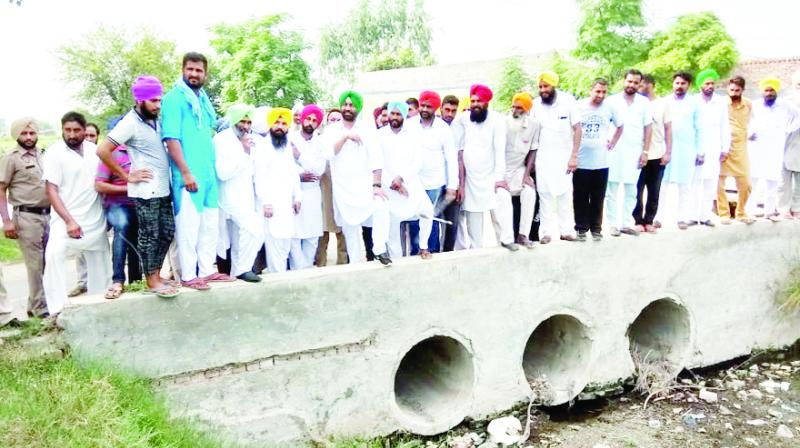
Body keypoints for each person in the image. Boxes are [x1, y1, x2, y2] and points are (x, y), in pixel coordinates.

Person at [98, 76, 179, 298]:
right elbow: (103, 150)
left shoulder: (155, 120)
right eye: (153, 100)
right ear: (139, 99)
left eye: (159, 100)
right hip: (145, 191)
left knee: (167, 232)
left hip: (163, 188)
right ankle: (151, 279)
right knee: (150, 235)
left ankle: (156, 274)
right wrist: (125, 175)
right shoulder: (130, 122)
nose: (158, 105)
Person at [162, 52, 232, 290]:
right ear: (183, 70)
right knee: (189, 227)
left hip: (208, 175)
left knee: (209, 225)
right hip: (188, 176)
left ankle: (207, 270)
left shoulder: (202, 99)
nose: (194, 74)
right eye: (190, 69)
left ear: (205, 73)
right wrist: (186, 172)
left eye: (198, 70)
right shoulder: (173, 98)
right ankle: (189, 275)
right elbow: (171, 139)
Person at [42, 111, 111, 315]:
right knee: (54, 255)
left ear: (84, 130)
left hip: (95, 217)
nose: (71, 135)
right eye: (67, 130)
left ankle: (99, 305)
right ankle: (57, 310)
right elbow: (51, 190)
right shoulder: (54, 153)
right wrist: (69, 221)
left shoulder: (95, 150)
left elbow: (104, 181)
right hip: (66, 219)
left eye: (76, 130)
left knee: (100, 260)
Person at [324, 91, 392, 266]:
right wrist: (345, 137)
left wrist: (376, 184)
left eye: (352, 105)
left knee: (381, 206)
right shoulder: (331, 130)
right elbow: (329, 153)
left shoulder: (368, 129)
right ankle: (354, 264)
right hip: (343, 188)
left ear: (358, 108)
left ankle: (379, 249)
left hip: (365, 186)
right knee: (349, 228)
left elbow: (377, 158)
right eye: (345, 104)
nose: (348, 108)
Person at [453, 84, 518, 251]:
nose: (475, 104)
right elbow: (458, 150)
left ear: (487, 102)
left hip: (491, 176)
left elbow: (499, 149)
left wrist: (499, 178)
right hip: (470, 180)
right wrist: (460, 183)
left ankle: (506, 241)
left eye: (478, 101)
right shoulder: (462, 119)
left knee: (502, 202)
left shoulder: (497, 120)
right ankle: (476, 251)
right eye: (473, 100)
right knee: (473, 220)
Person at [0, 117, 50, 317]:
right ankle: (39, 309)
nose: (29, 137)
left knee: (49, 262)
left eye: (32, 133)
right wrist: (7, 221)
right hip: (27, 217)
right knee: (35, 265)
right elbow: (1, 189)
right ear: (16, 135)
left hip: (48, 214)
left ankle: (37, 305)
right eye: (24, 133)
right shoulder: (11, 158)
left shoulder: (44, 155)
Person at [378, 101, 435, 259]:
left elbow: (417, 162)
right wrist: (394, 183)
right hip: (388, 187)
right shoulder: (379, 135)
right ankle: (396, 259)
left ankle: (423, 247)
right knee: (392, 226)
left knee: (427, 210)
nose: (395, 117)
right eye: (392, 113)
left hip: (410, 183)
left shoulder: (413, 135)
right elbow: (377, 163)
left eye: (399, 114)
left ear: (404, 116)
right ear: (388, 114)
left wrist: (401, 179)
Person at [212, 104, 262, 282]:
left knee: (239, 239)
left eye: (249, 122)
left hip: (245, 196)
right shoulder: (221, 140)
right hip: (228, 196)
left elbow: (251, 170)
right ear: (234, 120)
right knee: (255, 229)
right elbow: (223, 173)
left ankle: (236, 274)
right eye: (243, 121)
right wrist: (243, 151)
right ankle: (243, 269)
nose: (246, 126)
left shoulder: (248, 139)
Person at [531, 71, 581, 244]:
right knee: (544, 195)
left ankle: (566, 230)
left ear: (554, 86)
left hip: (563, 158)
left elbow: (577, 129)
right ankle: (545, 233)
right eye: (540, 87)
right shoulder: (535, 105)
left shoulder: (568, 101)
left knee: (564, 195)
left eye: (546, 86)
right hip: (543, 159)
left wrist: (574, 156)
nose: (543, 90)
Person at [406, 90, 458, 254]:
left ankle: (432, 252)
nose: (425, 109)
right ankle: (416, 253)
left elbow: (451, 159)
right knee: (415, 220)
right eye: (423, 105)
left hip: (435, 183)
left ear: (436, 108)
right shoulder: (410, 125)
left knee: (431, 220)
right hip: (414, 182)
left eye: (429, 106)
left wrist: (452, 186)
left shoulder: (443, 128)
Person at [573, 79, 623, 241]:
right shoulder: (579, 106)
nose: (600, 95)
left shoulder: (610, 108)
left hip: (601, 162)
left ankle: (596, 229)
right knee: (580, 197)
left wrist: (613, 142)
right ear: (590, 90)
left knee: (598, 197)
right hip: (581, 161)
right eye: (597, 91)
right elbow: (572, 128)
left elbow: (620, 126)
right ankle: (581, 228)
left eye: (603, 92)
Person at [255, 108, 302, 272]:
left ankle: (282, 278)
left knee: (285, 245)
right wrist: (266, 202)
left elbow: (293, 172)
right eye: (277, 122)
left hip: (287, 204)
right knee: (274, 246)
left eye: (283, 124)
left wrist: (298, 197)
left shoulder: (287, 145)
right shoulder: (262, 146)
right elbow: (259, 176)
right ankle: (278, 281)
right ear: (270, 124)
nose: (280, 127)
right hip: (270, 205)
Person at [747, 77, 799, 221]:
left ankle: (769, 211)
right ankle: (750, 210)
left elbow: (798, 117)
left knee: (773, 181)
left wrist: (788, 129)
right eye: (766, 90)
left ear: (776, 91)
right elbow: (744, 119)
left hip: (775, 148)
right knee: (753, 179)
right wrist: (748, 133)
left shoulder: (785, 105)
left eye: (771, 90)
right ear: (762, 91)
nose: (769, 93)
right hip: (756, 146)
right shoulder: (754, 105)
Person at [606, 69, 651, 237]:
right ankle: (612, 225)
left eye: (635, 82)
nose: (631, 85)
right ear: (624, 81)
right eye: (629, 81)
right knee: (612, 189)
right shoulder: (611, 101)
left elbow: (648, 128)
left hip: (635, 151)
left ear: (640, 84)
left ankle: (626, 223)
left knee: (632, 190)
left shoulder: (644, 103)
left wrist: (645, 151)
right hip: (614, 151)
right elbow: (605, 122)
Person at [95, 139, 141, 299]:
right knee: (121, 230)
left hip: (140, 204)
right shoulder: (112, 154)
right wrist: (128, 188)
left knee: (138, 241)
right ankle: (118, 280)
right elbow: (99, 185)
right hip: (118, 204)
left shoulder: (142, 151)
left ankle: (137, 281)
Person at [498, 91, 540, 247]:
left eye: (519, 108)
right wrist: (499, 177)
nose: (515, 112)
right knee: (503, 197)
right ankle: (507, 239)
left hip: (519, 168)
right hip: (500, 170)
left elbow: (533, 149)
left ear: (527, 111)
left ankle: (523, 235)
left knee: (529, 192)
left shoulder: (534, 125)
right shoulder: (502, 123)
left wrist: (527, 175)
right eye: (513, 107)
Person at [691, 68, 730, 226]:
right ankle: (692, 216)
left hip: (714, 148)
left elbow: (724, 125)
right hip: (696, 148)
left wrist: (725, 148)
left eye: (712, 83)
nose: (710, 86)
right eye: (707, 83)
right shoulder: (693, 101)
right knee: (694, 183)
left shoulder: (720, 102)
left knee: (710, 183)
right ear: (700, 85)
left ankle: (705, 216)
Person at [289, 104, 327, 269]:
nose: (310, 123)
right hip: (294, 193)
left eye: (314, 120)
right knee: (294, 236)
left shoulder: (320, 142)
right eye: (308, 119)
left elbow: (319, 170)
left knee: (312, 236)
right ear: (302, 119)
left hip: (312, 192)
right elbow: (285, 165)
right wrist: (299, 174)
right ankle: (299, 270)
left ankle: (306, 271)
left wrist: (300, 156)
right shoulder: (290, 138)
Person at [661, 71, 699, 230]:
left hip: (686, 150)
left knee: (685, 186)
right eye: (677, 83)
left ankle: (682, 218)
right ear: (673, 84)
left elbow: (699, 128)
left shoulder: (694, 104)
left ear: (688, 85)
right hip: (665, 149)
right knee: (661, 185)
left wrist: (700, 151)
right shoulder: (664, 102)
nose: (679, 86)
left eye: (683, 84)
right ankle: (656, 218)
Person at [633, 74, 672, 232]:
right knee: (637, 190)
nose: (637, 88)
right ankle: (637, 221)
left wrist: (668, 152)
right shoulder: (636, 103)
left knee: (654, 190)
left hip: (657, 154)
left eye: (640, 85)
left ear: (649, 85)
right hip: (638, 155)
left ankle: (649, 220)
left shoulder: (663, 104)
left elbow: (668, 129)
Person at [717, 76, 753, 224]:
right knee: (718, 183)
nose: (733, 93)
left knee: (745, 183)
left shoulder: (749, 104)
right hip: (723, 148)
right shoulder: (720, 104)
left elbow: (754, 121)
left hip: (741, 148)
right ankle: (723, 214)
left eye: (737, 90)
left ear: (742, 90)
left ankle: (741, 212)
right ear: (727, 89)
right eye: (731, 89)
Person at [315, 108, 348, 266]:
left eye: (338, 120)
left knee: (343, 227)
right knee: (323, 226)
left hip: (343, 189)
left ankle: (343, 263)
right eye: (331, 120)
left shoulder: (348, 140)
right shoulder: (319, 140)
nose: (334, 123)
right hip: (324, 189)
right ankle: (320, 263)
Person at [439, 94, 462, 251]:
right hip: (435, 183)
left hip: (452, 184)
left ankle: (448, 255)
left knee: (452, 225)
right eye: (446, 110)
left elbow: (459, 158)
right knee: (433, 224)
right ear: (440, 108)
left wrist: (459, 184)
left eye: (453, 111)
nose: (449, 114)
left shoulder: (458, 129)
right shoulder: (433, 127)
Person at [781, 70, 800, 218]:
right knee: (783, 182)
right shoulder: (785, 102)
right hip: (785, 146)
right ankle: (783, 208)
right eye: (798, 84)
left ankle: (797, 208)